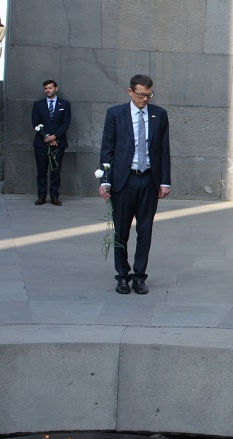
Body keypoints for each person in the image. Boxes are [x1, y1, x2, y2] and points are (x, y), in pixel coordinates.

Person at [98, 74, 171, 295]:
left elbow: (163, 150)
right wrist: (105, 181)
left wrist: (165, 181)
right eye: (141, 95)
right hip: (124, 180)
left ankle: (139, 276)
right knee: (121, 231)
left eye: (149, 95)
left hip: (149, 180)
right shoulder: (115, 114)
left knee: (145, 230)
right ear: (130, 92)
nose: (145, 99)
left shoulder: (159, 114)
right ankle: (122, 276)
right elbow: (107, 149)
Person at [32, 79, 71, 206]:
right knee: (41, 170)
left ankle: (54, 197)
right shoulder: (38, 105)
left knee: (56, 170)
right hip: (41, 143)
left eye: (50, 88)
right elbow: (35, 123)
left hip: (58, 143)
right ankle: (41, 196)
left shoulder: (64, 105)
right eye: (46, 88)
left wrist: (55, 136)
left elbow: (66, 123)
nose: (48, 90)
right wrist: (47, 137)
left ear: (56, 88)